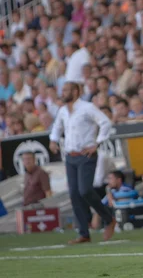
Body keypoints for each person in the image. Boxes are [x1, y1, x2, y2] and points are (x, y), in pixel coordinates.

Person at [49, 82, 116, 244]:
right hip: (70, 156)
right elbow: (57, 127)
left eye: (65, 90)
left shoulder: (87, 107)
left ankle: (109, 218)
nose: (62, 92)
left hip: (86, 154)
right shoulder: (63, 110)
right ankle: (84, 233)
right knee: (74, 194)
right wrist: (53, 140)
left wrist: (97, 142)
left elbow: (105, 122)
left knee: (85, 190)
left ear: (75, 91)